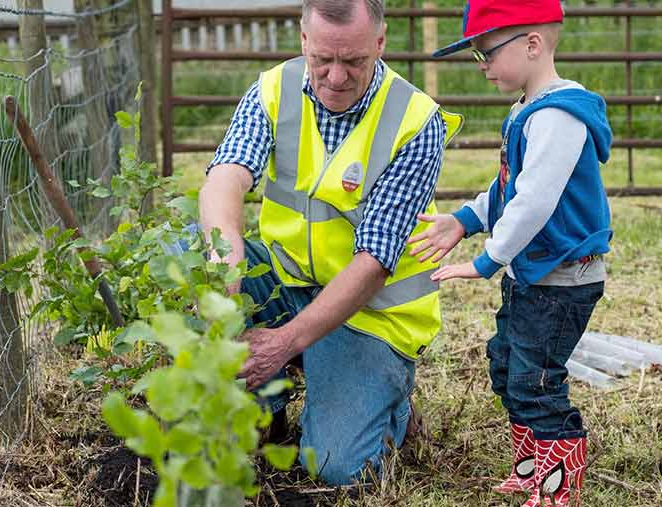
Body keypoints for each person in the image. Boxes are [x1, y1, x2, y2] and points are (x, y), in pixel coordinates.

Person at [197, 0, 462, 486]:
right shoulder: (274, 89)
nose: (336, 77)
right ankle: (264, 403)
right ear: (304, 41)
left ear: (379, 45)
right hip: (287, 279)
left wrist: (284, 342)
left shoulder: (414, 121)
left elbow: (376, 260)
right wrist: (223, 263)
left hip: (369, 311)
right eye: (323, 59)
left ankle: (390, 405)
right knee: (184, 254)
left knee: (334, 468)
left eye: (354, 62)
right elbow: (225, 178)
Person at [413, 1, 613, 505]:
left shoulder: (559, 118)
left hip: (562, 277)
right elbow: (509, 188)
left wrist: (488, 259)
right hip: (534, 274)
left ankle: (558, 485)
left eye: (486, 53)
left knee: (537, 382)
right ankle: (531, 468)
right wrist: (465, 219)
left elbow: (535, 202)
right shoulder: (526, 111)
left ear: (532, 44)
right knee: (507, 368)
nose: (483, 67)